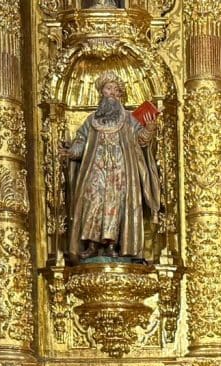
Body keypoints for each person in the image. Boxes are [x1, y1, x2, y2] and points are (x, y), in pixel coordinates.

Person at [64, 73, 161, 261]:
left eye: (116, 90)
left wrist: (149, 128)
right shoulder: (91, 120)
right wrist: (71, 152)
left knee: (115, 206)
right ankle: (92, 245)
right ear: (101, 92)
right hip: (95, 171)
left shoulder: (128, 119)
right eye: (109, 89)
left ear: (120, 95)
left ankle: (111, 245)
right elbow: (81, 142)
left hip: (120, 172)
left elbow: (141, 140)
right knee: (92, 203)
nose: (112, 93)